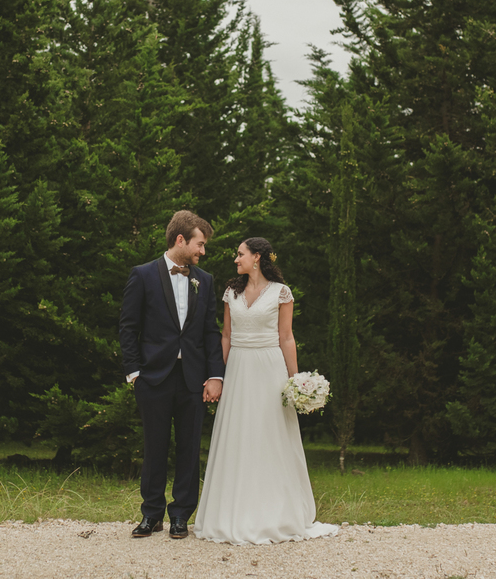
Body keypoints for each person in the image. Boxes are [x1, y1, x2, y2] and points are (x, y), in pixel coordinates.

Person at [193, 237, 339, 545]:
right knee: (239, 436)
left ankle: (276, 512)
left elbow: (286, 337)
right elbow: (226, 336)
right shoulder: (231, 292)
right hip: (238, 370)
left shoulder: (281, 293)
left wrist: (295, 380)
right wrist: (217, 375)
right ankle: (232, 513)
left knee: (270, 436)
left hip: (270, 369)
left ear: (256, 257)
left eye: (241, 254)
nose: (236, 259)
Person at [119, 210, 225, 539]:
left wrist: (215, 375)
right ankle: (151, 514)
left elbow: (210, 331)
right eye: (199, 244)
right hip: (153, 377)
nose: (202, 252)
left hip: (193, 379)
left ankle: (181, 515)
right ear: (180, 240)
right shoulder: (143, 275)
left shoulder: (204, 280)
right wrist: (134, 372)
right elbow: (128, 327)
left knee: (189, 448)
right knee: (154, 447)